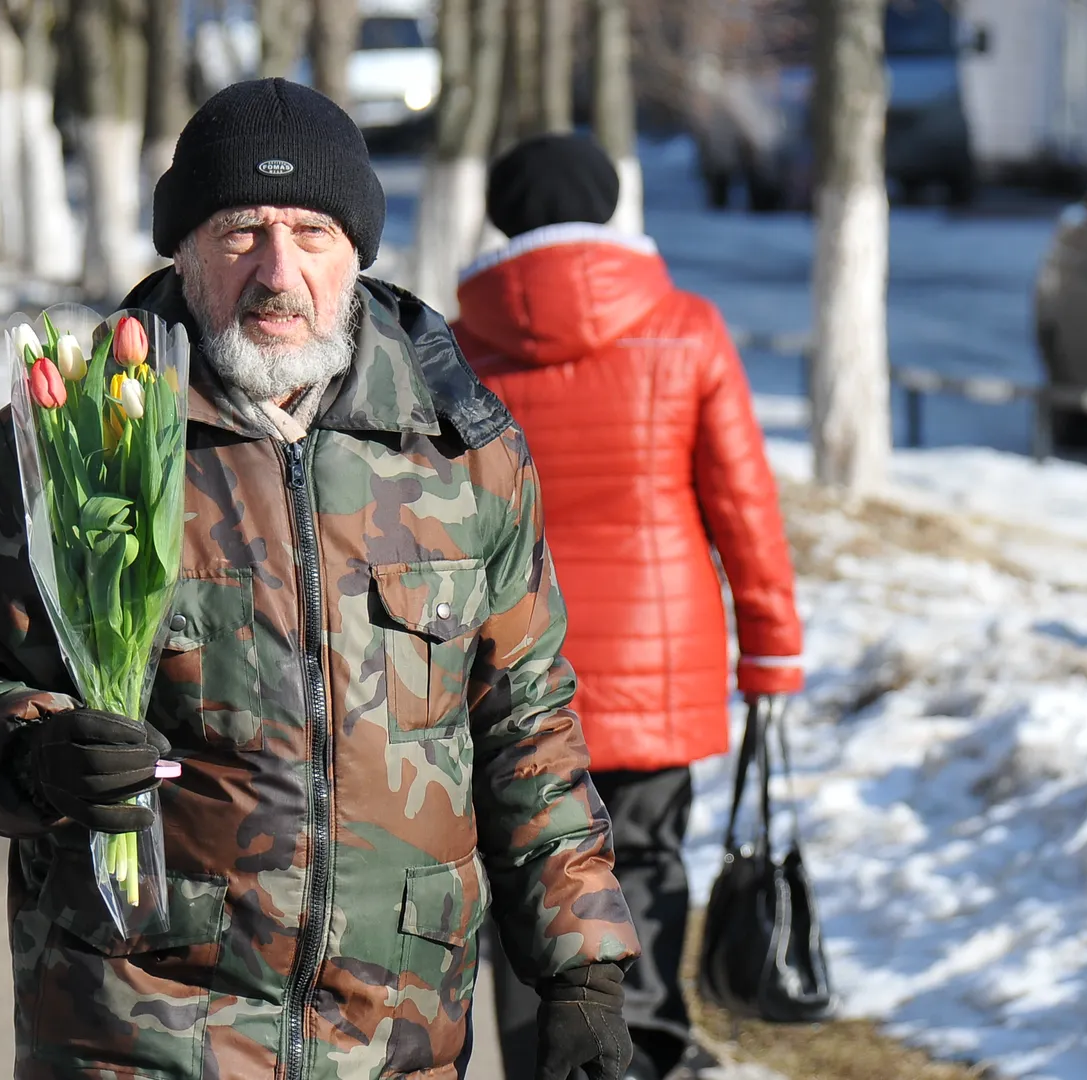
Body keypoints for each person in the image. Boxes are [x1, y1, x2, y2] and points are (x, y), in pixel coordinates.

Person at [0, 81, 638, 1080]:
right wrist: (31, 754)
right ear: (183, 249)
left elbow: (525, 729)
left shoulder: (460, 456)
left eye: (312, 232)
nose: (279, 273)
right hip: (137, 1031)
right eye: (242, 232)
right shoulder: (72, 450)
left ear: (357, 252)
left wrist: (583, 975)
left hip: (396, 1040)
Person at [453, 133, 805, 1080]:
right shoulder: (685, 327)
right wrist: (770, 651)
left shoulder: (456, 346)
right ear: (610, 208)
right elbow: (745, 506)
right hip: (660, 664)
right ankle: (643, 1053)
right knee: (642, 863)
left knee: (528, 876)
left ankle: (544, 1064)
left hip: (512, 673)